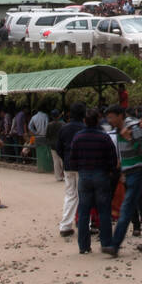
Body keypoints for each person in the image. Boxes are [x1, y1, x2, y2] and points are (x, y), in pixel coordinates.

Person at [71, 110, 121, 254]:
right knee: (104, 210)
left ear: (85, 121)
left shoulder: (78, 137)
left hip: (84, 176)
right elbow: (112, 158)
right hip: (101, 175)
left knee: (84, 211)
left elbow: (72, 158)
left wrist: (79, 169)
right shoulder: (104, 137)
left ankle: (84, 246)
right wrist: (110, 171)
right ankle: (106, 243)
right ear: (98, 120)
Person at [109, 106, 142, 253]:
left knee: (126, 208)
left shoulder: (133, 128)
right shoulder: (119, 130)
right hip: (130, 172)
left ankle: (115, 244)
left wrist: (129, 138)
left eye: (111, 117)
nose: (109, 120)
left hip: (138, 171)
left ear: (120, 116)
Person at [55, 102, 85, 237]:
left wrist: (65, 158)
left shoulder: (64, 128)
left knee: (70, 194)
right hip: (83, 166)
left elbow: (58, 148)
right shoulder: (85, 128)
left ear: (69, 114)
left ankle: (65, 226)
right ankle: (86, 224)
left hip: (68, 165)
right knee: (84, 195)